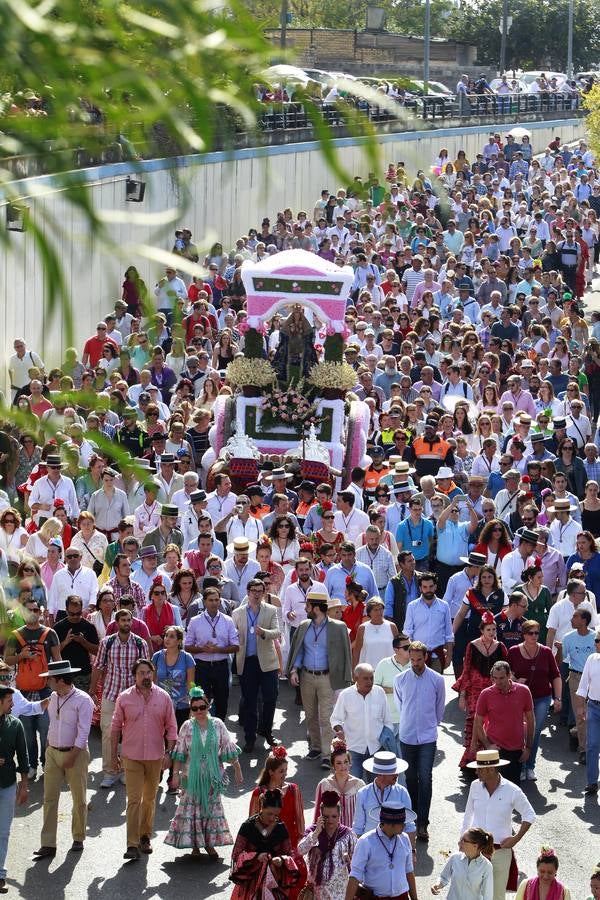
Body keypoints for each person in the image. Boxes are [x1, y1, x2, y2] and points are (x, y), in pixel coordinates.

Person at [110, 658, 177, 859]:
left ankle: (145, 836)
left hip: (155, 757)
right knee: (133, 800)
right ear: (134, 676)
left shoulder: (163, 697)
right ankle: (131, 845)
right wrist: (113, 755)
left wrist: (169, 753)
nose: (145, 676)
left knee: (149, 798)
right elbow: (115, 728)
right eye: (141, 673)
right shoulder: (124, 698)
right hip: (132, 756)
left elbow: (172, 728)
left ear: (153, 674)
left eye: (148, 672)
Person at [165, 685, 242, 860]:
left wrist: (237, 769)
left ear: (208, 706)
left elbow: (228, 749)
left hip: (213, 778)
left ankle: (209, 844)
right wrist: (175, 775)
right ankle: (195, 845)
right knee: (192, 812)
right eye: (195, 708)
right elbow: (180, 753)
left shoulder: (218, 725)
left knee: (211, 812)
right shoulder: (186, 726)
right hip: (190, 778)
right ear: (191, 710)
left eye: (202, 707)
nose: (199, 711)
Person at [32, 660, 94, 860]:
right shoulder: (52, 696)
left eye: (50, 678)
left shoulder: (83, 700)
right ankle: (48, 844)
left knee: (79, 798)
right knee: (49, 798)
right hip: (53, 752)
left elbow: (84, 731)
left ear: (59, 680)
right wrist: (50, 747)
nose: (47, 681)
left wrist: (72, 756)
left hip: (75, 753)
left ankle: (78, 837)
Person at [288, 590, 352, 769]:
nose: (305, 609)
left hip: (327, 678)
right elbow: (299, 650)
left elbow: (345, 654)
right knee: (310, 715)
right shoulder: (303, 626)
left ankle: (326, 754)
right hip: (307, 676)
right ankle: (315, 747)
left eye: (307, 605)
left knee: (326, 717)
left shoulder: (338, 627)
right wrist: (294, 670)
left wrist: (343, 676)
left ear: (316, 608)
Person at [463, 749, 536, 900]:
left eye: (479, 769)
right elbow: (468, 815)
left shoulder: (512, 790)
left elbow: (529, 814)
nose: (476, 772)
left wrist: (515, 839)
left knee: (496, 896)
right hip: (475, 850)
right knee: (471, 894)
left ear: (491, 769)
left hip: (500, 852)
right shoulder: (475, 786)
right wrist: (462, 841)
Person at [89, 609, 150, 789]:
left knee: (131, 735)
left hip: (134, 696)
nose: (126, 623)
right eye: (123, 620)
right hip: (110, 694)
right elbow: (98, 666)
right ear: (116, 623)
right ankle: (109, 772)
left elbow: (146, 672)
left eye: (129, 620)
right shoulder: (106, 643)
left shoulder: (140, 644)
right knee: (108, 734)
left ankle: (125, 770)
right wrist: (92, 690)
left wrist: (148, 693)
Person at [3, 598, 61, 780]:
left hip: (45, 689)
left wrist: (59, 685)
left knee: (45, 729)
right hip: (23, 690)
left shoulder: (50, 633)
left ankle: (46, 763)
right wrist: (22, 655)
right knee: (27, 733)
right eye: (29, 610)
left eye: (36, 609)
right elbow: (7, 660)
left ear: (40, 612)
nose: (33, 613)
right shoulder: (16, 635)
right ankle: (31, 765)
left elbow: (58, 660)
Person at [393, 640, 445, 840]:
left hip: (427, 737)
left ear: (425, 658)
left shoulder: (437, 680)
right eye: (412, 659)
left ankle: (423, 823)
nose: (415, 663)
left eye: (419, 659)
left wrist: (431, 724)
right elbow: (400, 705)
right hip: (406, 736)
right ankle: (412, 820)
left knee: (425, 778)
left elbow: (439, 708)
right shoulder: (400, 679)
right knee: (411, 779)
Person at [249, 746, 307, 898]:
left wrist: (299, 846)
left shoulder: (294, 790)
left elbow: (300, 821)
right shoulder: (259, 793)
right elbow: (252, 824)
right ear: (271, 772)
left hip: (289, 844)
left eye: (286, 770)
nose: (285, 774)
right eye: (281, 771)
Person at [507, 620, 561, 780]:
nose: (534, 636)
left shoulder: (545, 652)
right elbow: (506, 673)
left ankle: (530, 766)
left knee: (535, 731)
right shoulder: (514, 651)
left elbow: (556, 675)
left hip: (542, 697)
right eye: (531, 633)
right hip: (520, 698)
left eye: (537, 633)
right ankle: (521, 766)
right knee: (521, 731)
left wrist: (557, 698)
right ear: (523, 634)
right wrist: (515, 681)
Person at [232, 579, 281, 753]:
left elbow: (277, 631)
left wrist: (264, 633)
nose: (257, 593)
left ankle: (266, 731)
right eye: (254, 590)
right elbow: (232, 634)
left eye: (260, 590)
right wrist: (235, 639)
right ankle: (249, 738)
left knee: (270, 697)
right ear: (248, 592)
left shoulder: (271, 610)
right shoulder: (237, 613)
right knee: (250, 701)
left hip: (267, 662)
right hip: (247, 661)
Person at [453, 612, 508, 769]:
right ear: (482, 630)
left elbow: (506, 670)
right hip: (475, 691)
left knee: (491, 723)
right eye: (488, 630)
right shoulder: (472, 645)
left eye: (493, 630)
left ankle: (489, 758)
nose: (491, 633)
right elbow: (466, 670)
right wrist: (462, 695)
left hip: (493, 689)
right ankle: (471, 757)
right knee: (474, 721)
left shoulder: (501, 647)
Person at [230, 788, 301, 899]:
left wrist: (281, 860)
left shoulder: (281, 828)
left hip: (273, 881)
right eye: (269, 814)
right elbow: (236, 854)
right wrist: (256, 857)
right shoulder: (248, 826)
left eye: (276, 814)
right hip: (251, 881)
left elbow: (289, 854)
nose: (272, 818)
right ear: (261, 807)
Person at [472, 660, 535, 785]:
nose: (498, 682)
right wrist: (487, 745)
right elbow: (478, 722)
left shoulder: (524, 691)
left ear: (509, 675)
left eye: (502, 678)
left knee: (512, 790)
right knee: (493, 788)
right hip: (495, 749)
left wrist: (528, 747)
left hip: (516, 749)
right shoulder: (486, 694)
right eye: (495, 678)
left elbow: (531, 720)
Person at [184, 589, 239, 722]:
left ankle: (220, 729)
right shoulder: (195, 621)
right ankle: (204, 731)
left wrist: (217, 650)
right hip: (202, 667)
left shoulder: (228, 620)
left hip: (221, 666)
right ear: (204, 602)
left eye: (216, 600)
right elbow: (187, 646)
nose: (214, 603)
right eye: (211, 600)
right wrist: (203, 649)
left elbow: (236, 646)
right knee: (202, 701)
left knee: (222, 700)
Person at [346, 799, 418, 900]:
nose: (404, 826)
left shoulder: (405, 839)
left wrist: (415, 898)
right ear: (390, 824)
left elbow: (409, 871)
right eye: (401, 823)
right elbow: (355, 875)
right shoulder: (366, 842)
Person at [331, 663, 392, 778]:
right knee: (354, 787)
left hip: (376, 749)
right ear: (355, 678)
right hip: (354, 749)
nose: (369, 682)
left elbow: (387, 721)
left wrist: (385, 739)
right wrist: (339, 731)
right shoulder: (346, 695)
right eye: (365, 678)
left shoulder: (379, 693)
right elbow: (336, 719)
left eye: (371, 678)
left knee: (375, 788)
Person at [298, 789, 357, 900]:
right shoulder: (313, 831)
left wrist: (349, 860)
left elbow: (358, 862)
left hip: (338, 893)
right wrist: (316, 833)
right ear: (321, 815)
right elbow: (300, 850)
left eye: (334, 816)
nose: (330, 820)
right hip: (316, 892)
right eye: (326, 816)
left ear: (339, 814)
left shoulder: (348, 835)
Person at [0, 683, 29, 893]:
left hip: (8, 784)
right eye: (9, 700)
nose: (13, 704)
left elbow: (23, 756)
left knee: (3, 832)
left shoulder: (15, 724)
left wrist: (24, 785)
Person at [403, 572, 453, 672]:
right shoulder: (412, 606)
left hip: (437, 655)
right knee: (417, 686)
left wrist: (449, 656)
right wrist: (410, 655)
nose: (428, 590)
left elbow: (449, 633)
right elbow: (407, 632)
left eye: (431, 586)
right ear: (420, 588)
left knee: (435, 686)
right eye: (425, 587)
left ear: (435, 587)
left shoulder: (444, 606)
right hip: (417, 657)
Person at [52, 594, 100, 693]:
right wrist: (65, 642)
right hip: (64, 675)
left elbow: (97, 651)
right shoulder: (58, 627)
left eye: (78, 614)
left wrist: (83, 642)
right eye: (71, 614)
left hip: (84, 675)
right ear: (66, 611)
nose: (75, 617)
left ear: (82, 610)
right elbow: (52, 653)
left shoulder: (89, 627)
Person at [431, 827, 494, 900]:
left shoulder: (486, 866)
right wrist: (438, 884)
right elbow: (444, 877)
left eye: (464, 840)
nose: (459, 843)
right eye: (461, 839)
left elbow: (488, 895)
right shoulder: (455, 858)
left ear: (475, 845)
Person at [313, 741, 365, 828]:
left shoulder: (360, 785)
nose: (343, 766)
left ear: (350, 763)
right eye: (339, 763)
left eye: (346, 762)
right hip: (330, 835)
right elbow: (318, 814)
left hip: (353, 835)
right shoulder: (324, 785)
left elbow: (364, 813)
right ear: (333, 765)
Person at [575, 631, 600, 795]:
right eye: (597, 640)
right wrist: (580, 707)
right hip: (594, 707)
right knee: (592, 746)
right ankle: (592, 782)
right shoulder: (592, 659)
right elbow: (583, 685)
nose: (597, 643)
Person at [353, 597, 398, 670]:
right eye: (375, 610)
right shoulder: (362, 628)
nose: (379, 612)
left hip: (389, 671)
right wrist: (354, 672)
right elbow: (356, 652)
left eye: (381, 609)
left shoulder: (392, 626)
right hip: (368, 673)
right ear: (369, 612)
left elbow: (398, 649)